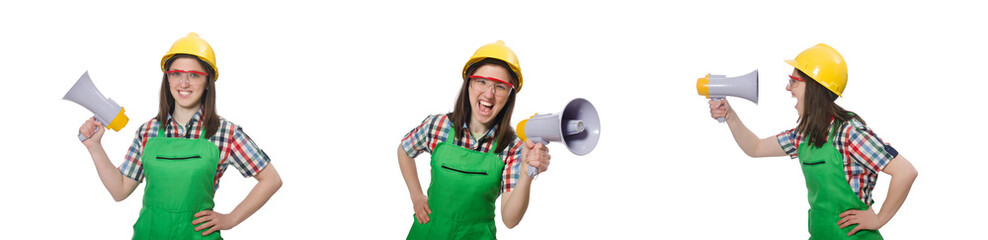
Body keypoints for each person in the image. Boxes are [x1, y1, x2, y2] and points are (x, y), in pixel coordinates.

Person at [78, 32, 282, 239]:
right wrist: (95, 146)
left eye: (194, 75)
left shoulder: (225, 133)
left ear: (208, 81)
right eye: (176, 73)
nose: (183, 83)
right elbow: (119, 190)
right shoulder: (147, 131)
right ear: (167, 78)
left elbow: (271, 179)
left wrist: (231, 219)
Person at [708, 43, 917, 239]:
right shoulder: (804, 134)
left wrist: (879, 219)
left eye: (793, 81)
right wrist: (730, 115)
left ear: (814, 88)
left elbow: (905, 172)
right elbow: (756, 147)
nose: (788, 88)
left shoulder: (849, 132)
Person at [397, 40, 552, 239]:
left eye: (500, 86)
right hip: (429, 231)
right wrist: (416, 196)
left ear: (509, 95)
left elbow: (510, 219)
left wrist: (525, 174)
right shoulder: (438, 126)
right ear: (469, 83)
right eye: (482, 81)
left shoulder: (513, 148)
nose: (489, 94)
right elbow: (404, 150)